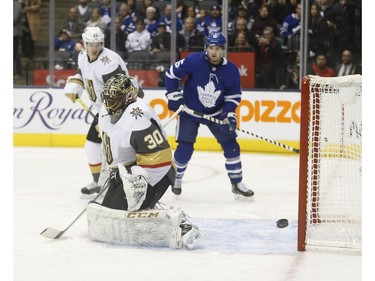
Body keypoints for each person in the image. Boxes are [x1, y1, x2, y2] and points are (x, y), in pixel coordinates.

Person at [86, 73, 206, 249]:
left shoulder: (139, 117)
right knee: (108, 214)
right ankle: (149, 205)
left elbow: (162, 158)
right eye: (107, 98)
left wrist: (139, 181)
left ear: (127, 98)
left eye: (115, 98)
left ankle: (181, 224)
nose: (109, 103)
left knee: (121, 214)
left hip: (154, 174)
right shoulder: (106, 110)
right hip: (125, 172)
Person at [164, 32, 254, 200]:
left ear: (223, 51)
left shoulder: (231, 70)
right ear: (206, 48)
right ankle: (176, 178)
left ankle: (237, 183)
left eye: (218, 48)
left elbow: (233, 96)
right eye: (211, 48)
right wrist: (173, 95)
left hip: (217, 112)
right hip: (190, 111)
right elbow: (171, 74)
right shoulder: (194, 61)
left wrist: (229, 114)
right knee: (185, 148)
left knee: (231, 145)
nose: (214, 52)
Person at [63, 26, 133, 198]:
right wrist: (76, 84)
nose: (94, 48)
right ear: (84, 43)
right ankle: (98, 182)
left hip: (117, 108)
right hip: (101, 108)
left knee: (113, 148)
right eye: (91, 44)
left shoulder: (109, 62)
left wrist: (107, 118)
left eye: (98, 44)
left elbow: (118, 92)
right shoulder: (82, 56)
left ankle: (116, 184)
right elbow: (83, 74)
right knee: (93, 146)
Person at [14, 0, 23, 79]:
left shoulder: (17, 6)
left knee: (15, 53)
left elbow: (14, 19)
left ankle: (17, 72)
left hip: (15, 34)